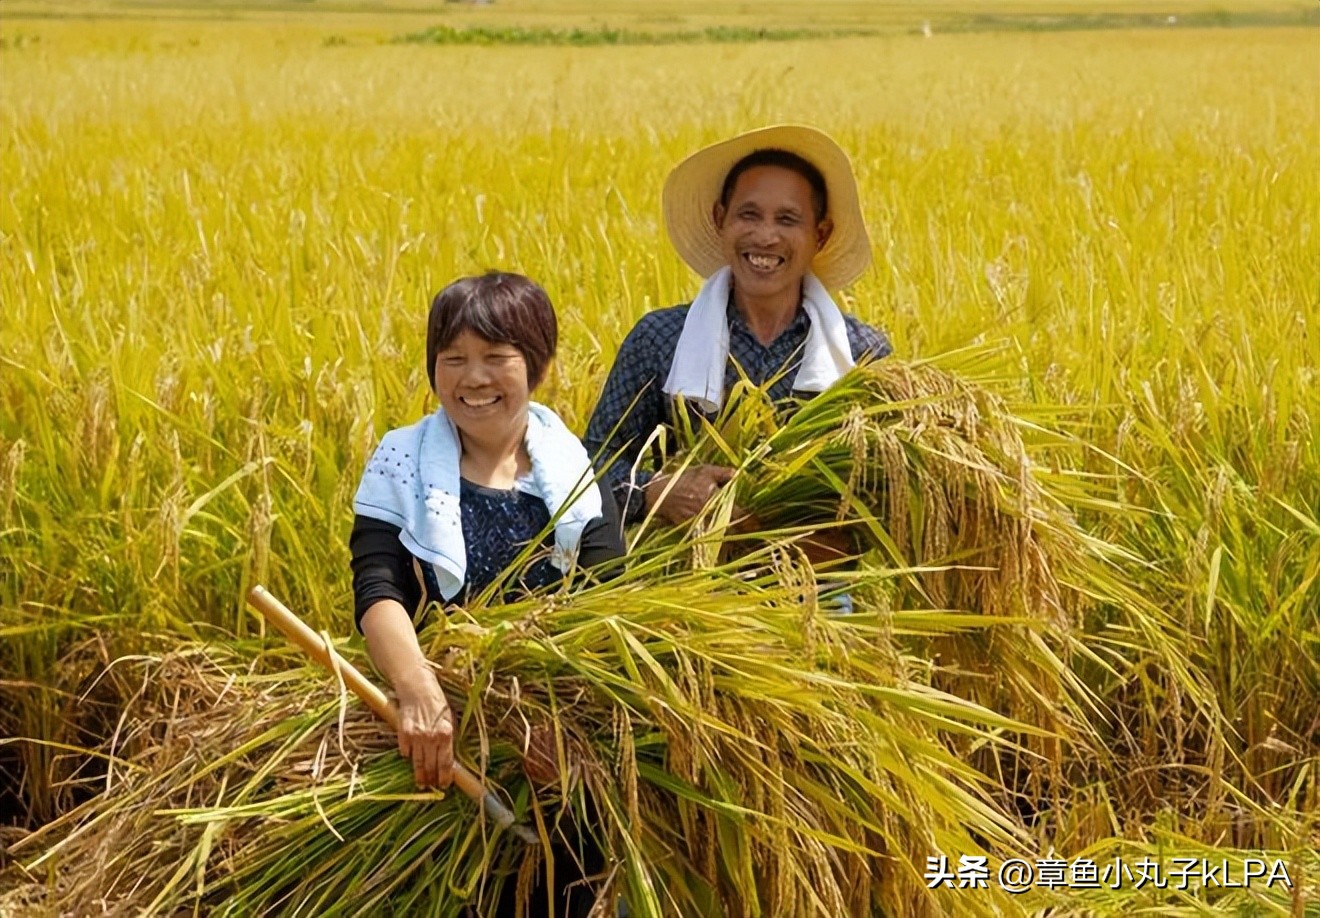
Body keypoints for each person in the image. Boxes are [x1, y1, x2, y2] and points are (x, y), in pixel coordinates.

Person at [349, 272, 624, 917]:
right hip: (433, 741)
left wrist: (560, 728)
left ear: (538, 364)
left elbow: (608, 609)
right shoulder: (400, 462)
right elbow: (378, 588)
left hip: (556, 744)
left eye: (496, 357)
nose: (473, 379)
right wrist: (417, 688)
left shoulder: (578, 474)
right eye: (453, 359)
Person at [585, 125, 892, 556]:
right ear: (720, 219)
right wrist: (658, 491)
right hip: (686, 575)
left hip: (822, 584)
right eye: (749, 215)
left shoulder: (862, 355)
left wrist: (823, 541)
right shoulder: (660, 340)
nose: (765, 236)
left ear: (820, 235)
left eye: (787, 220)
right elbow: (590, 464)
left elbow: (892, 487)